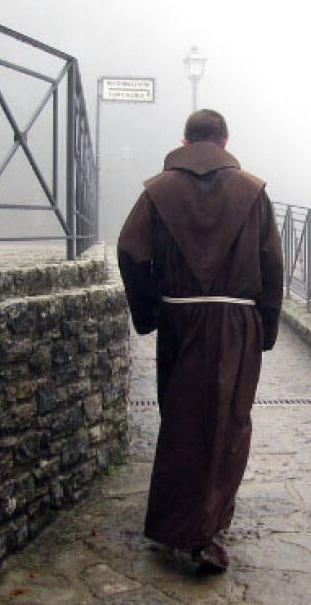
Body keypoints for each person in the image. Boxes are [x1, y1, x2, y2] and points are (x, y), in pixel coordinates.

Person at [117, 109, 284, 571]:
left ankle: (182, 524)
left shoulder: (158, 191)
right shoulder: (254, 191)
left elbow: (131, 252)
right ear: (225, 142)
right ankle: (204, 531)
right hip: (237, 322)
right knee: (228, 424)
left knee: (182, 419)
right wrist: (266, 328)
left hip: (180, 318)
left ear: (185, 141)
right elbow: (272, 265)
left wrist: (150, 311)